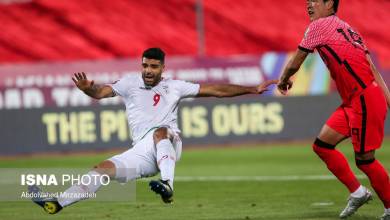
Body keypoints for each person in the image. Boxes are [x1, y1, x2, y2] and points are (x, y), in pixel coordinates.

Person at [29, 47, 277, 214]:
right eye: (145, 65)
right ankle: (56, 203)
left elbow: (216, 90)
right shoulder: (129, 84)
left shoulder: (176, 87)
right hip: (142, 152)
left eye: (154, 67)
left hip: (169, 141)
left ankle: (167, 184)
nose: (148, 70)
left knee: (161, 132)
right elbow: (100, 92)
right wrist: (87, 89)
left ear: (163, 68)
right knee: (100, 170)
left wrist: (252, 89)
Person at [277, 0, 390, 219]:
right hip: (354, 100)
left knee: (365, 160)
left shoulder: (319, 26)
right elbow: (371, 65)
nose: (309, 4)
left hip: (364, 98)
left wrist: (283, 79)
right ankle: (358, 193)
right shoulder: (348, 28)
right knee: (322, 145)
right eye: (307, 1)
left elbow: (296, 62)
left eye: (315, 1)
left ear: (330, 4)